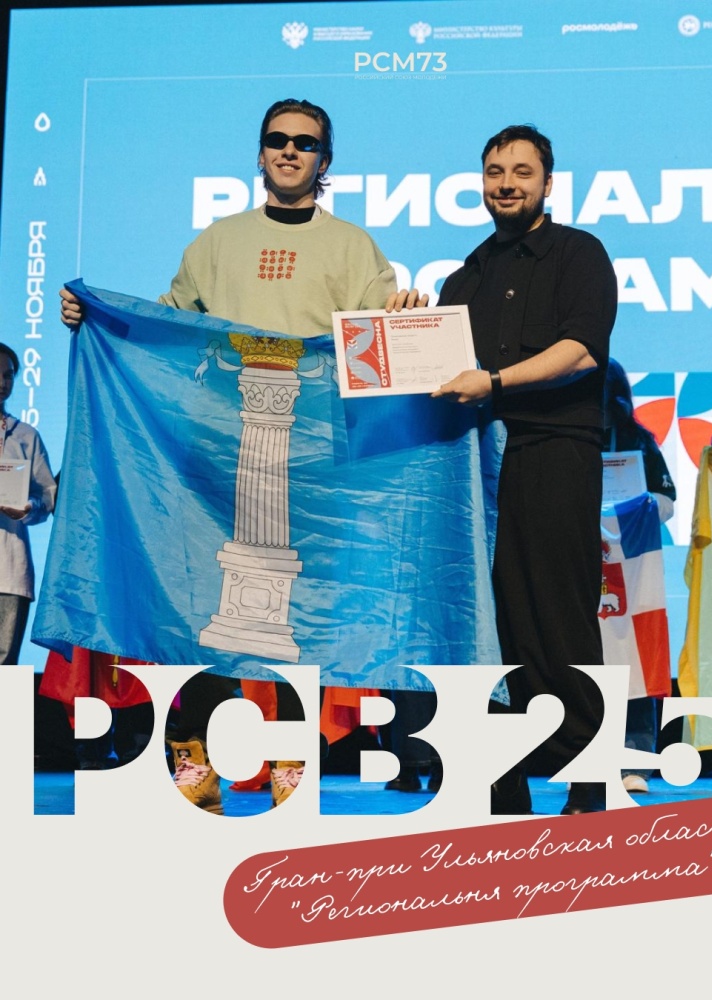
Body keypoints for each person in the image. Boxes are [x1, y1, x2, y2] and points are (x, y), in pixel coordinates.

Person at [61, 97, 423, 810]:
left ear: (324, 161)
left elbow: (375, 348)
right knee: (208, 609)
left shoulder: (354, 248)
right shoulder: (216, 243)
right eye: (277, 140)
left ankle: (290, 763)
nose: (289, 151)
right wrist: (95, 320)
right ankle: (192, 757)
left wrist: (406, 321)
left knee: (301, 617)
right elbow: (166, 334)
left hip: (312, 464)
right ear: (260, 154)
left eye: (305, 143)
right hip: (217, 458)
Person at [403, 123, 618, 815]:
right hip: (473, 468)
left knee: (560, 614)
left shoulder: (579, 253)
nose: (507, 184)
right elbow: (433, 374)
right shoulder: (464, 276)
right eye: (495, 172)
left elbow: (582, 351)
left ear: (547, 183)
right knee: (489, 623)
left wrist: (494, 383)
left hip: (554, 452)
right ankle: (504, 785)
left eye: (522, 172)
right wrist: (403, 321)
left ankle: (589, 781)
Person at [602, 357, 676, 794]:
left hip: (635, 567)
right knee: (590, 662)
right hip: (584, 563)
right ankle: (591, 757)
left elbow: (667, 501)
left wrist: (640, 507)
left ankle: (635, 762)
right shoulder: (568, 442)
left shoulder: (639, 441)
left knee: (636, 661)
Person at [0, 343, 57, 664]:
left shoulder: (25, 435)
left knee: (4, 671)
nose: (2, 382)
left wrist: (28, 508)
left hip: (9, 571)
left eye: (8, 375)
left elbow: (47, 495)